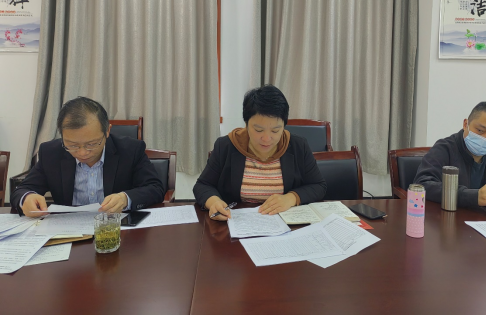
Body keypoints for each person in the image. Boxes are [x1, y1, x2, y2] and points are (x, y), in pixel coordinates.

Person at [12, 97, 165, 217]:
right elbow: (22, 190)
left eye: (92, 144)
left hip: (116, 229)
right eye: (72, 145)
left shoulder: (130, 150)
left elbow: (155, 188)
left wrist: (125, 198)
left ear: (107, 131)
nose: (82, 153)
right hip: (68, 232)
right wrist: (26, 198)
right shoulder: (51, 153)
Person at [194, 85, 327, 221]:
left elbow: (318, 186)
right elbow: (202, 185)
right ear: (246, 124)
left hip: (285, 224)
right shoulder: (226, 146)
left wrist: (291, 198)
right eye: (258, 130)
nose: (266, 138)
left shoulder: (298, 146)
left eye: (275, 131)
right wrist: (214, 202)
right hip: (236, 223)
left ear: (284, 126)